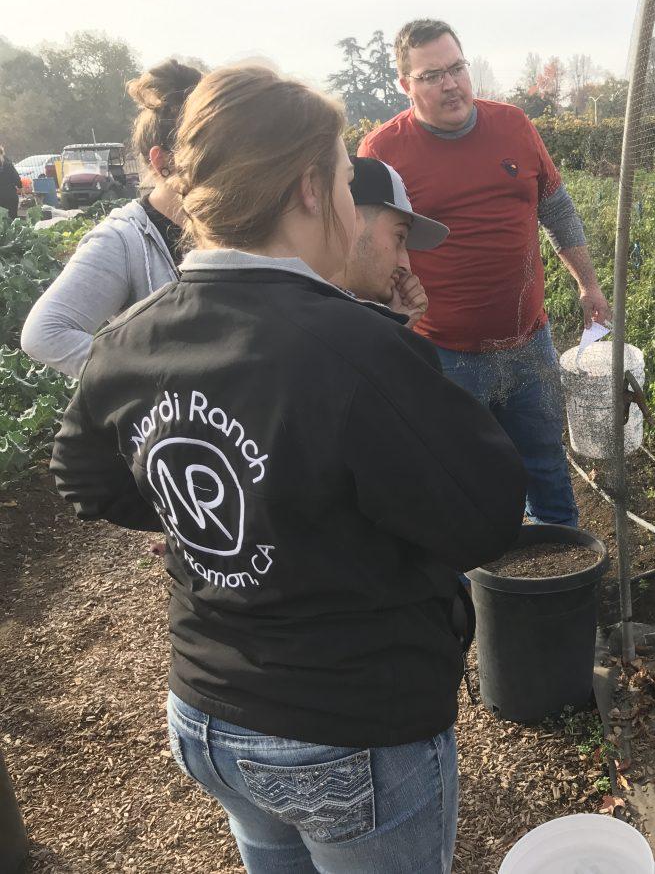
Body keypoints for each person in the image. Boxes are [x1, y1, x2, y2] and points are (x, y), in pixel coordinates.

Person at [50, 64, 526, 874]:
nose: (349, 200)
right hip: (345, 724)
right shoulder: (352, 346)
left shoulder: (132, 335)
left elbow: (85, 480)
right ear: (310, 188)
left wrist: (226, 519)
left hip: (205, 714)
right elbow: (484, 515)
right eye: (346, 179)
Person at [357, 18, 610, 528]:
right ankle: (479, 594)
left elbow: (555, 208)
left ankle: (561, 576)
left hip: (528, 342)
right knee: (461, 480)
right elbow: (368, 249)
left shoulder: (513, 125)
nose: (450, 84)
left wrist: (587, 282)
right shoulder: (383, 153)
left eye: (456, 68)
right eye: (431, 75)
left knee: (546, 467)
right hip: (444, 354)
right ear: (405, 85)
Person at [21, 60, 203, 377]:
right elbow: (45, 333)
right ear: (162, 161)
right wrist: (152, 382)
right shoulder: (124, 239)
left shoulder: (237, 225)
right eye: (208, 153)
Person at [331, 155, 446, 326]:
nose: (406, 265)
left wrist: (397, 324)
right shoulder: (313, 325)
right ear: (349, 220)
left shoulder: (333, 318)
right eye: (399, 237)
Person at [0, 147, 21, 221]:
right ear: (3, 153)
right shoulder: (9, 165)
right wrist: (20, 187)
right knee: (13, 219)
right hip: (11, 196)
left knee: (2, 221)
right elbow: (17, 180)